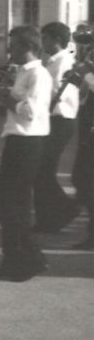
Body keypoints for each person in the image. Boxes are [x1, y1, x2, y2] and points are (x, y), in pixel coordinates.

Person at [0, 26, 53, 282]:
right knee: (14, 204)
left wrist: (4, 97)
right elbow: (17, 113)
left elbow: (30, 112)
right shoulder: (23, 73)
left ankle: (32, 257)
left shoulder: (38, 74)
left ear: (26, 48)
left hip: (28, 144)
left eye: (12, 46)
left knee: (8, 202)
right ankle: (15, 261)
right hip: (18, 140)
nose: (8, 50)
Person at [34, 22, 81, 232]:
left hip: (60, 120)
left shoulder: (61, 62)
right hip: (54, 120)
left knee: (43, 171)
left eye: (45, 38)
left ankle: (63, 211)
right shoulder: (53, 61)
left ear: (57, 40)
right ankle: (51, 218)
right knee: (42, 171)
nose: (42, 42)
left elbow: (52, 92)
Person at [72, 65, 94, 249]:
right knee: (82, 179)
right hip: (87, 132)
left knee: (88, 182)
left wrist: (85, 77)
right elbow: (83, 99)